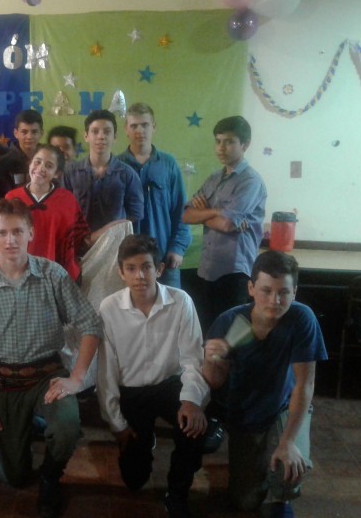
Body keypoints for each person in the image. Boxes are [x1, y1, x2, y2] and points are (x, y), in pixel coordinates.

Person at [0, 199, 102, 518]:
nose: (10, 240)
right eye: (2, 233)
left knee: (67, 427)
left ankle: (51, 475)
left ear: (31, 233)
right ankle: (24, 430)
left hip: (47, 376)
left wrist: (77, 378)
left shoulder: (53, 274)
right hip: (5, 382)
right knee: (12, 476)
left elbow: (91, 325)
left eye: (17, 231)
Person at [202, 251, 327, 518]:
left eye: (284, 292)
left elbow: (304, 385)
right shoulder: (230, 321)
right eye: (266, 290)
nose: (274, 300)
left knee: (289, 466)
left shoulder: (302, 318)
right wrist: (213, 360)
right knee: (245, 500)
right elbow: (214, 382)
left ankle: (282, 498)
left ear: (295, 292)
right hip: (245, 413)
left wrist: (288, 441)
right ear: (251, 288)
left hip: (285, 407)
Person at [96, 234, 208, 518]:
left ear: (159, 269)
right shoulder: (109, 308)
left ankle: (177, 492)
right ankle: (143, 441)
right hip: (132, 391)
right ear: (121, 272)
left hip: (171, 385)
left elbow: (193, 358)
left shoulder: (181, 302)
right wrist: (117, 423)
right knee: (134, 479)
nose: (139, 276)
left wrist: (191, 401)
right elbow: (106, 371)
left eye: (146, 267)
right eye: (131, 268)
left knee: (194, 430)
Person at [182, 115, 267, 329]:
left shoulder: (251, 181)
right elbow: (186, 215)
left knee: (229, 337)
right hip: (207, 269)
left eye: (229, 142)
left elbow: (227, 224)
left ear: (245, 144)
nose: (221, 147)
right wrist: (216, 211)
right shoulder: (214, 178)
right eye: (218, 141)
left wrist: (204, 213)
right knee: (206, 332)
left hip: (234, 272)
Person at [119, 103, 191, 288]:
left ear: (154, 127)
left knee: (171, 305)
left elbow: (181, 211)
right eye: (134, 126)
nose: (139, 131)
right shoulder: (117, 166)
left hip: (165, 258)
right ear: (126, 129)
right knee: (130, 305)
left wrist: (178, 248)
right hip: (129, 260)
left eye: (145, 125)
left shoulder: (168, 164)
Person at [5, 145, 88, 282]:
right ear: (30, 163)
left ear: (57, 173)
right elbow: (3, 240)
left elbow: (79, 237)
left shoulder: (67, 200)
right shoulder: (12, 198)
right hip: (20, 275)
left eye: (49, 166)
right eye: (37, 162)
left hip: (59, 275)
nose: (41, 168)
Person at [63, 110, 144, 245]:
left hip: (114, 248)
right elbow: (63, 211)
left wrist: (113, 232)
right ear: (86, 136)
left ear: (115, 137)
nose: (101, 136)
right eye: (95, 131)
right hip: (78, 247)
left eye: (107, 132)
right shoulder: (70, 173)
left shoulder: (127, 174)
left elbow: (136, 214)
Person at [0, 109, 44, 189]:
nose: (29, 137)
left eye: (34, 132)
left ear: (41, 133)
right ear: (16, 133)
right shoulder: (3, 163)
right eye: (24, 132)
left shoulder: (48, 160)